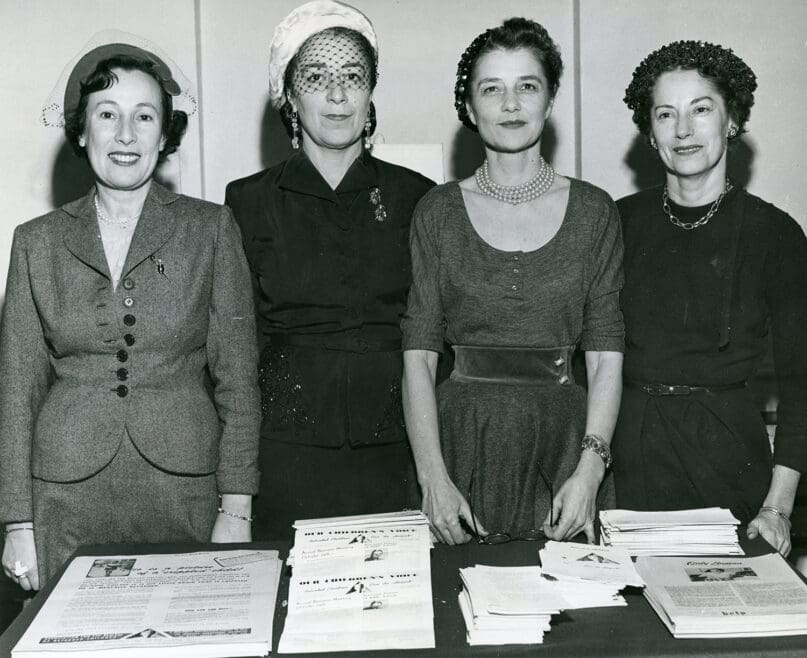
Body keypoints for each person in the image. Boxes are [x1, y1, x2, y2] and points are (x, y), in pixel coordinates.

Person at [0, 32, 260, 589]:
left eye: (144, 117)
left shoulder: (210, 229)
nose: (125, 135)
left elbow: (239, 381)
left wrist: (236, 509)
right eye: (106, 114)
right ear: (80, 128)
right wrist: (17, 520)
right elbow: (16, 388)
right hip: (65, 498)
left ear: (164, 134)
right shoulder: (35, 242)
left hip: (184, 490)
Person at [401, 18, 624, 545]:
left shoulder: (595, 211)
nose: (511, 104)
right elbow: (418, 355)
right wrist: (432, 478)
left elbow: (605, 355)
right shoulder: (436, 212)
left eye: (527, 86)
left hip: (569, 449)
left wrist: (590, 473)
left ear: (548, 103)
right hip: (459, 449)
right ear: (471, 109)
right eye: (491, 89)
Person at [225, 1, 434, 539]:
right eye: (317, 78)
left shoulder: (418, 198)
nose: (338, 94)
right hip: (287, 458)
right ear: (290, 97)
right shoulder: (248, 202)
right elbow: (236, 352)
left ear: (370, 92)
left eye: (353, 77)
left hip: (398, 457)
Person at [615, 40, 807, 556]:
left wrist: (777, 509)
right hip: (629, 465)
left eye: (701, 110)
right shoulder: (617, 224)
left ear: (731, 121)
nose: (683, 130)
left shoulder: (776, 236)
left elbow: (803, 389)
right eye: (665, 114)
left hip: (731, 467)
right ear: (649, 134)